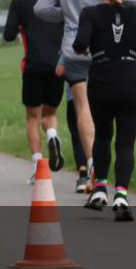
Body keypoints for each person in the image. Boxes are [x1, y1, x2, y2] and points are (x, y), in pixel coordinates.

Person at [34, 0, 136, 191]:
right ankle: (107, 173)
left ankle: (92, 165)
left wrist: (68, 16)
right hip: (109, 49)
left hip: (75, 50)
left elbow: (41, 8)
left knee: (83, 108)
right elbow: (132, 1)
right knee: (108, 111)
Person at [72, 0, 136, 221]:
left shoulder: (89, 14)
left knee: (102, 136)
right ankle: (121, 194)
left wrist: (88, 47)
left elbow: (79, 44)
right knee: (126, 143)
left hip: (101, 83)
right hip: (131, 83)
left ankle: (100, 187)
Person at [3, 0, 65, 184]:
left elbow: (9, 34)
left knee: (32, 117)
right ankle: (53, 135)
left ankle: (39, 167)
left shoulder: (19, 1)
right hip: (58, 64)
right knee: (50, 114)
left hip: (33, 64)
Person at [56, 55, 90, 192]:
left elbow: (59, 70)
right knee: (97, 135)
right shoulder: (97, 41)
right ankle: (98, 175)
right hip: (97, 95)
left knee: (78, 136)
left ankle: (83, 175)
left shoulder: (70, 46)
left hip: (75, 97)